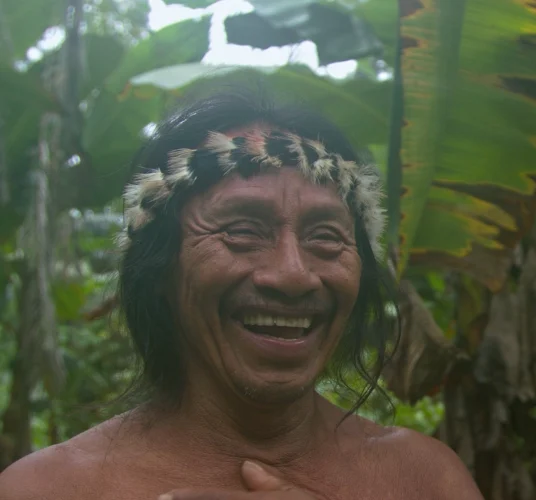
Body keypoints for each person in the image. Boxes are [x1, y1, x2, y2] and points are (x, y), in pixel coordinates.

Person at [0, 89, 483, 500]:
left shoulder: (426, 480)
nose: (294, 275)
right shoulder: (46, 489)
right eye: (242, 230)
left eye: (326, 237)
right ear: (161, 269)